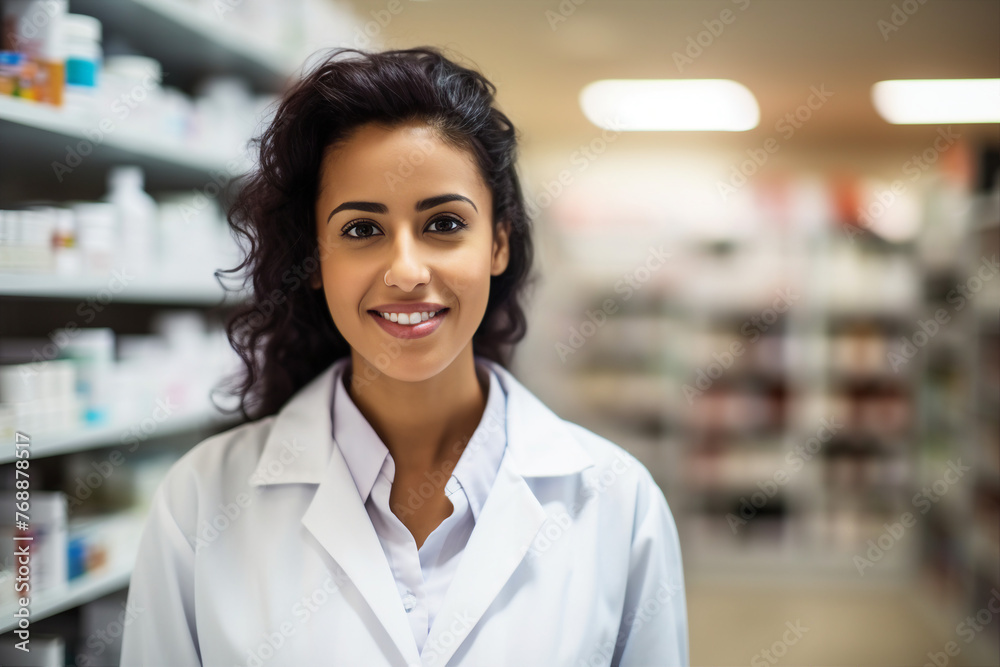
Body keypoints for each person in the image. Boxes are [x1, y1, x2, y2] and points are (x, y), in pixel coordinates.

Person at [119, 46, 688, 667]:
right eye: (362, 230)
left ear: (498, 244)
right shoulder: (201, 503)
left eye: (444, 224)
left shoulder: (618, 502)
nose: (407, 271)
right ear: (315, 259)